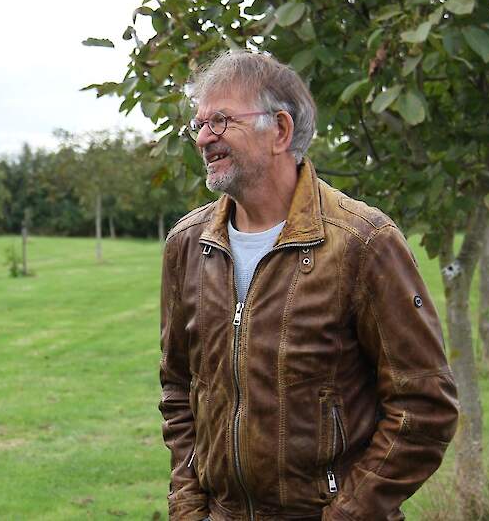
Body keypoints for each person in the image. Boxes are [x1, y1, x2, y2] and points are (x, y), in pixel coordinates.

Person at [159, 51, 458, 520]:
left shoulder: (363, 241)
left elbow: (423, 405)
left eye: (219, 121)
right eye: (197, 125)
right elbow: (178, 387)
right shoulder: (188, 245)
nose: (203, 138)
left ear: (280, 130)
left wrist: (347, 514)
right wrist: (188, 506)